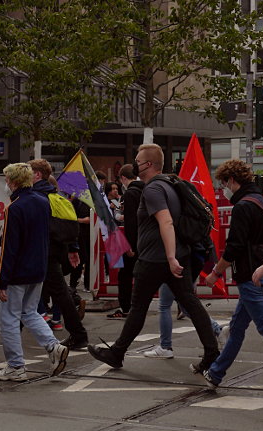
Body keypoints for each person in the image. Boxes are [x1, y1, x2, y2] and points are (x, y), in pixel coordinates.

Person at [87, 144, 219, 373]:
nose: (135, 164)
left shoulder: (153, 190)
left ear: (147, 164)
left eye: (138, 160)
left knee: (139, 308)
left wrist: (169, 257)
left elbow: (166, 221)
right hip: (178, 255)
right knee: (191, 303)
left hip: (156, 259)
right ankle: (212, 353)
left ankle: (117, 353)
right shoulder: (170, 185)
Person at [199, 159, 263, 391]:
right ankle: (215, 373)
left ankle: (216, 373)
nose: (223, 188)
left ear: (233, 181)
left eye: (224, 182)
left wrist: (216, 273)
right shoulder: (261, 202)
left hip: (250, 275)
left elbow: (234, 247)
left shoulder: (243, 207)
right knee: (237, 327)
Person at [0, 162, 69, 382]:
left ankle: (16, 366)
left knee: (8, 318)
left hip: (17, 272)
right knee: (30, 312)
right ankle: (53, 346)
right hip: (38, 268)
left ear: (15, 181)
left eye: (7, 179)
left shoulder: (14, 207)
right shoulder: (41, 202)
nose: (6, 183)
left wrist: (2, 281)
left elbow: (10, 246)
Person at [29, 160, 88, 350]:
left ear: (37, 174)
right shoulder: (56, 195)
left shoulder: (37, 196)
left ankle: (79, 335)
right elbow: (66, 224)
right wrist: (73, 248)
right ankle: (7, 323)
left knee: (52, 291)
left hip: (42, 250)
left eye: (29, 172)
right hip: (56, 249)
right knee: (41, 290)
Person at [108, 164, 143, 319]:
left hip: (135, 242)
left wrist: (129, 245)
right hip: (147, 239)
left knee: (125, 275)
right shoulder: (146, 189)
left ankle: (126, 308)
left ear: (123, 178)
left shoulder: (130, 194)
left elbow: (130, 222)